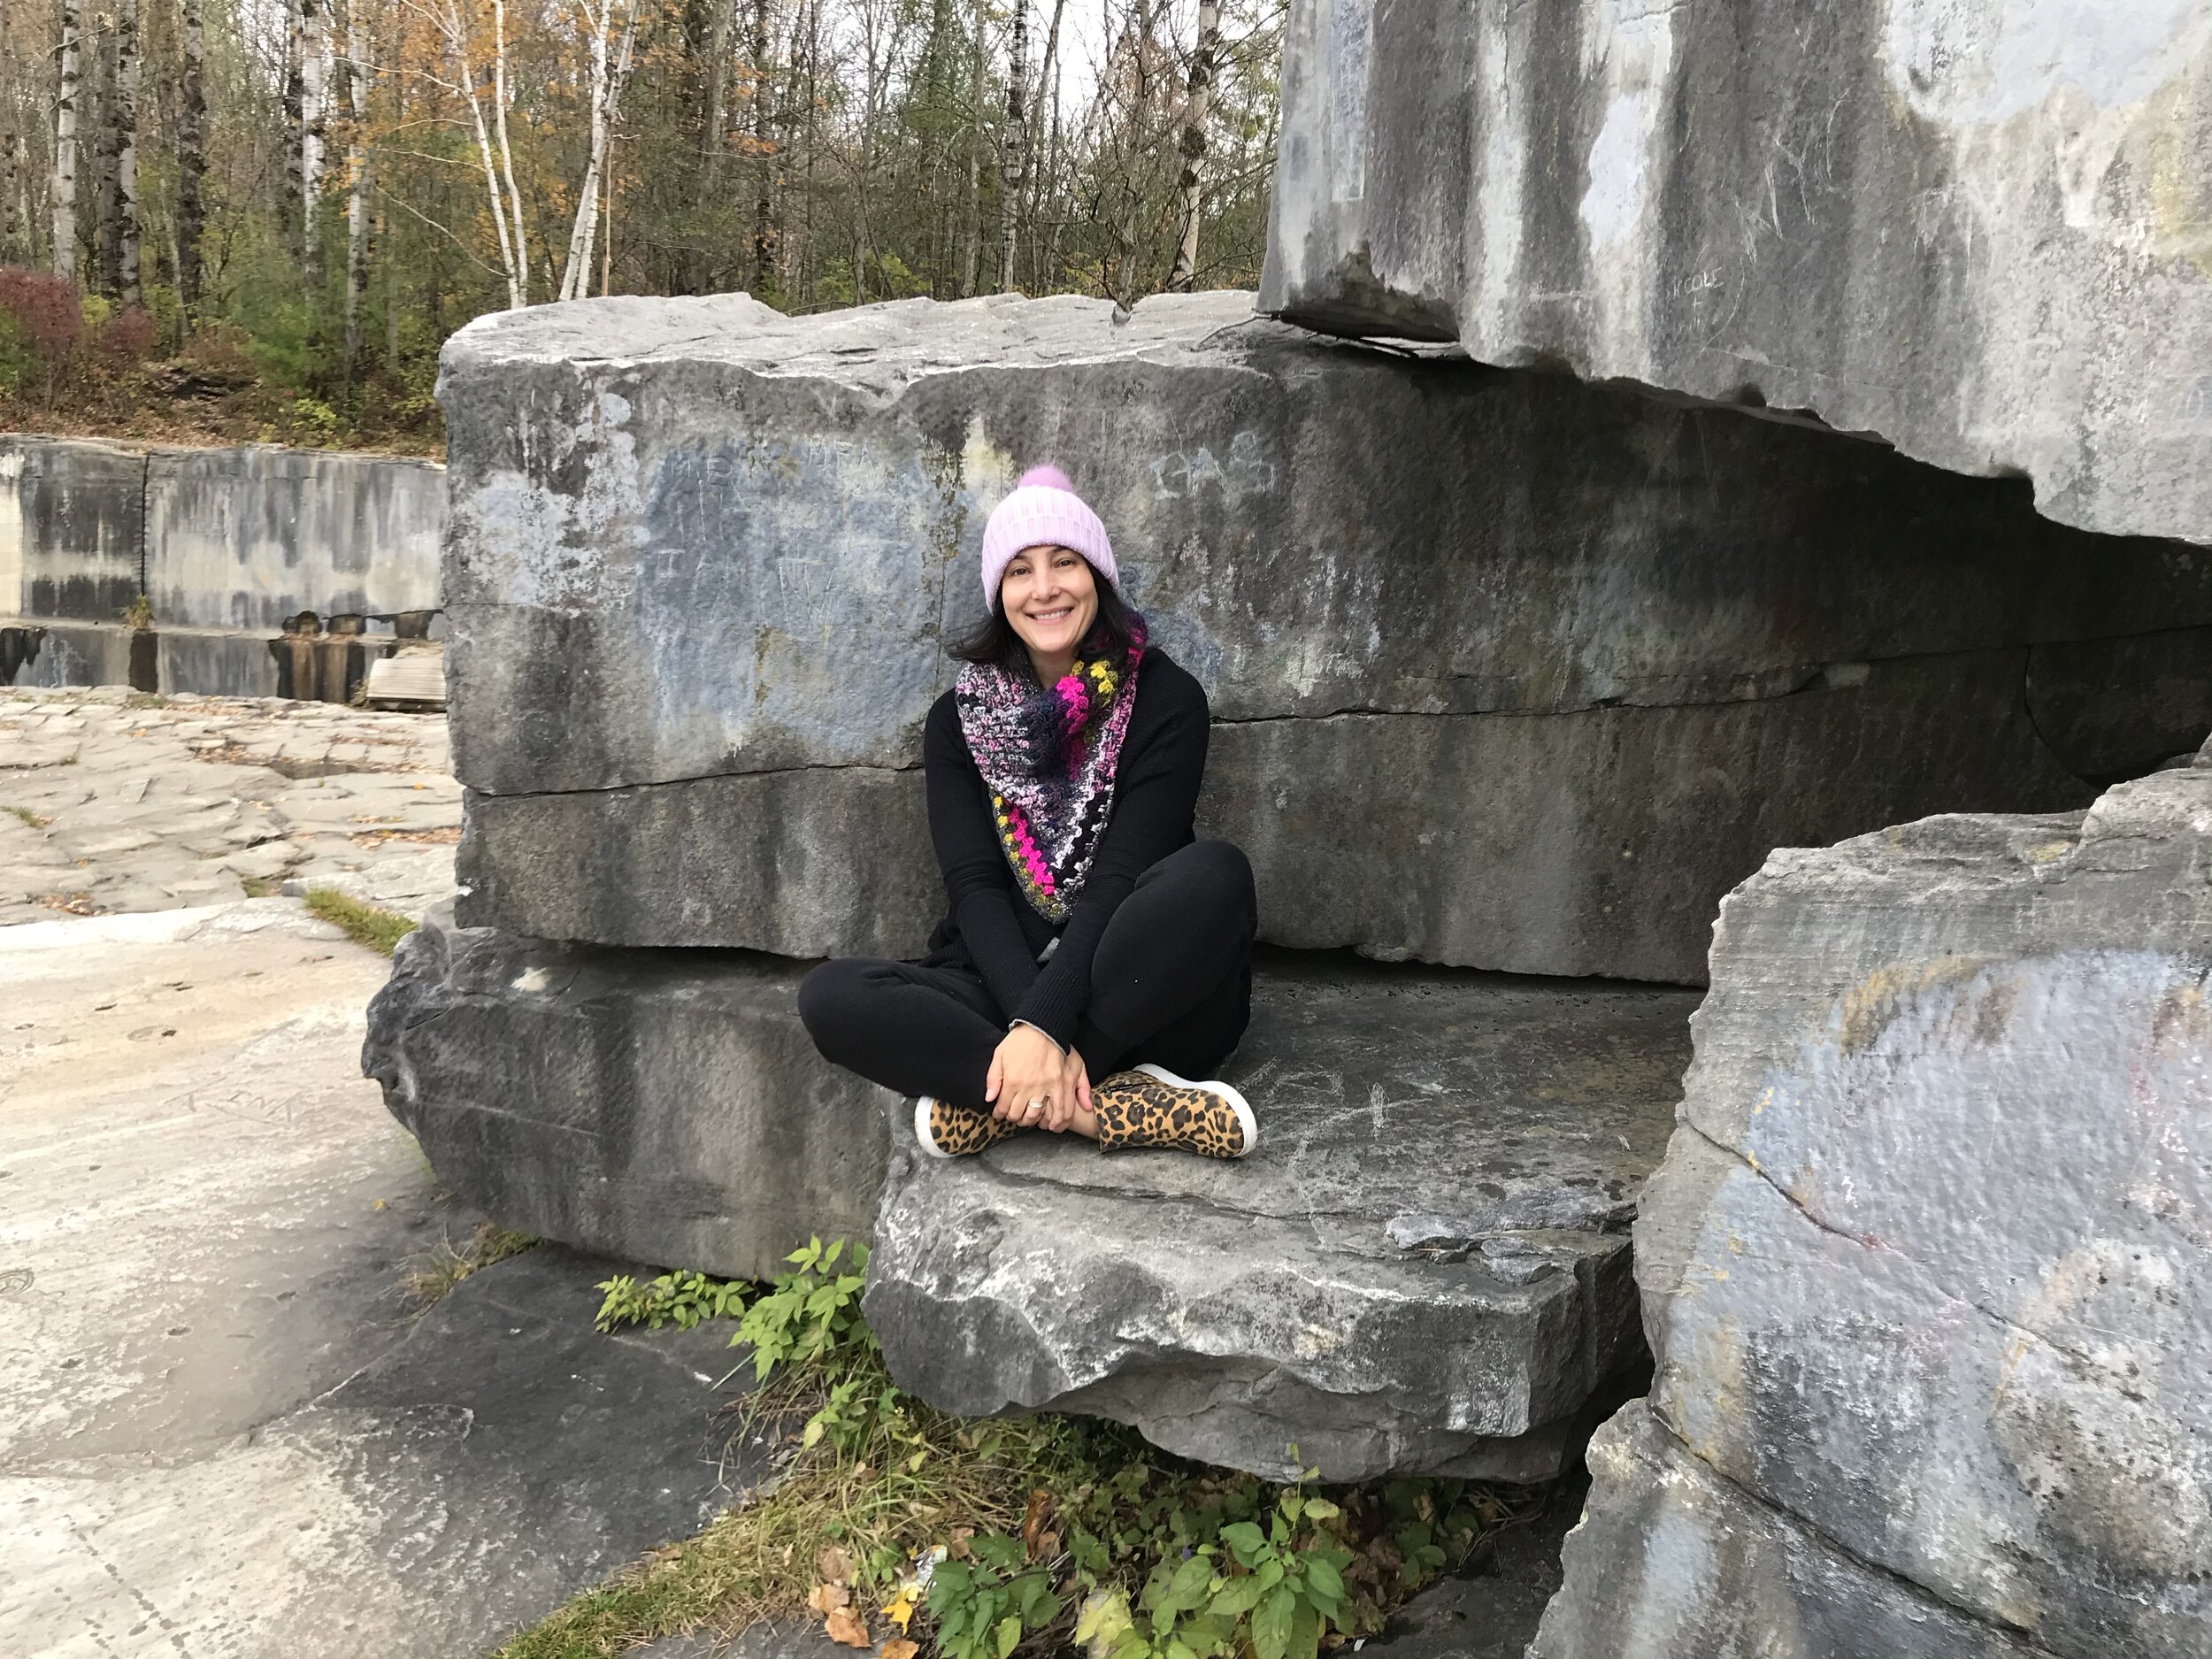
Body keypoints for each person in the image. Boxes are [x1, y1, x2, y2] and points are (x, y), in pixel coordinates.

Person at [799, 465, 1259, 1160]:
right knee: (831, 997)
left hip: (1140, 997)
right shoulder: (959, 721)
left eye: (1064, 562)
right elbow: (975, 887)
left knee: (1216, 876)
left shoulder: (1168, 701)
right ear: (1000, 593)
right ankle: (1106, 1108)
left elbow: (1119, 877)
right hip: (1002, 983)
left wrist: (1045, 1032)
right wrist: (1030, 1020)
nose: (1044, 588)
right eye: (1020, 571)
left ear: (1096, 576)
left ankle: (1013, 1096)